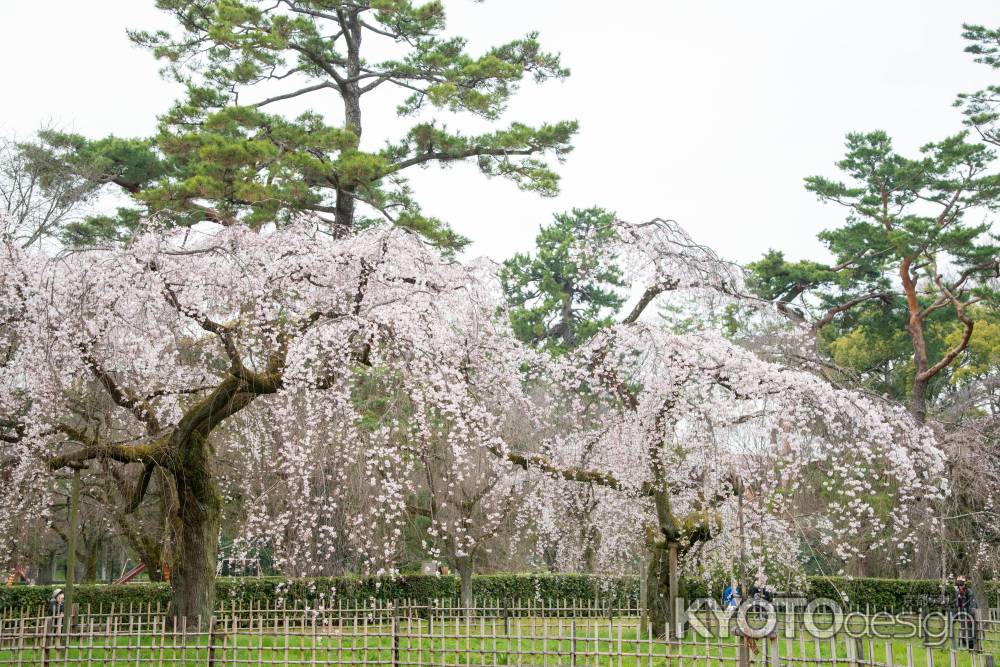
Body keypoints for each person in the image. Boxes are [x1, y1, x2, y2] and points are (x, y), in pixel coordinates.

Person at [954, 577, 977, 650]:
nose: (960, 586)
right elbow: (956, 605)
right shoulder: (958, 593)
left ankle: (971, 648)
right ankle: (962, 645)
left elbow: (972, 605)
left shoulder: (969, 592)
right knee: (962, 630)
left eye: (961, 584)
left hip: (969, 614)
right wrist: (955, 616)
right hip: (962, 614)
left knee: (970, 631)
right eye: (959, 584)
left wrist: (970, 616)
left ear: (964, 584)